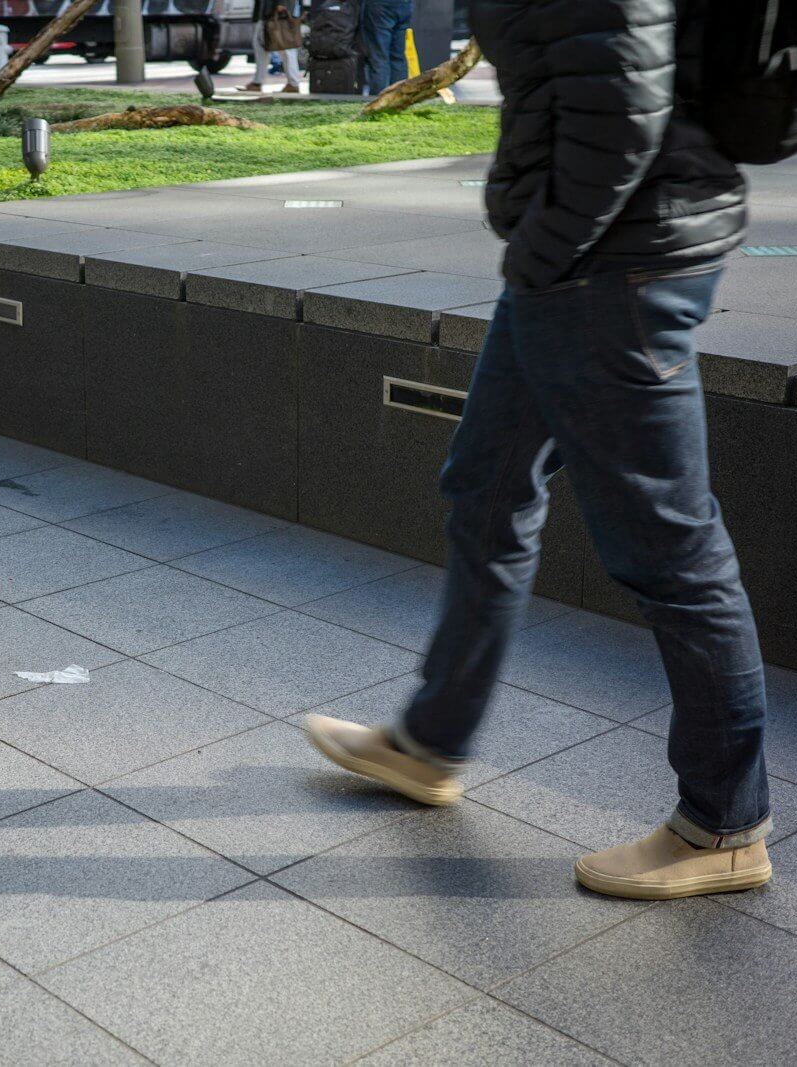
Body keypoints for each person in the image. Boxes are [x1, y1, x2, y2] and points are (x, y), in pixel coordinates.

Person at [307, 0, 773, 901]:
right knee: (485, 485)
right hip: (582, 260)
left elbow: (624, 101)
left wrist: (546, 248)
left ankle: (725, 823)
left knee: (673, 552)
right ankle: (430, 742)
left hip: (616, 265)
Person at [244, 0, 304, 93]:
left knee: (286, 48)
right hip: (267, 13)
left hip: (277, 12)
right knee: (261, 47)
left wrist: (282, 4)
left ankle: (293, 83)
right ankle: (257, 82)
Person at [360, 0, 412, 94]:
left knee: (379, 58)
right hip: (404, 3)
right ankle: (399, 101)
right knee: (398, 58)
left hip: (381, 5)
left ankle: (378, 104)